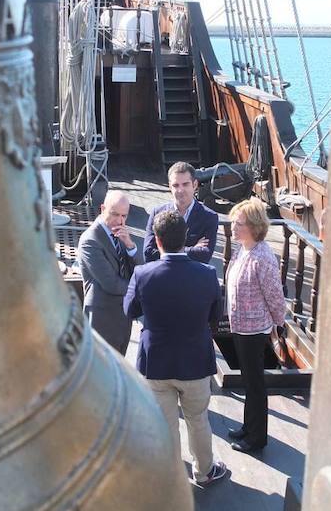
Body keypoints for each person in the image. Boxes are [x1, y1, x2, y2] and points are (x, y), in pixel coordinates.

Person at [124, 210, 227, 486]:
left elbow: (129, 309)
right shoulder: (206, 274)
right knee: (198, 420)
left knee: (164, 423)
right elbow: (216, 315)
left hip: (156, 362)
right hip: (195, 361)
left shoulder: (143, 274)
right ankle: (204, 472)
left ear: (157, 241)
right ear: (185, 238)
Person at [224, 197, 286, 453]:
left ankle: (256, 438)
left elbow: (275, 295)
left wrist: (278, 324)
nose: (233, 228)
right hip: (240, 327)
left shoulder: (263, 257)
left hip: (253, 330)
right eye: (233, 223)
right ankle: (248, 427)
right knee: (249, 381)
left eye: (238, 224)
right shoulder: (243, 249)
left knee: (255, 385)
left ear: (253, 226)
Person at [77, 190, 144, 355]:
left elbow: (139, 271)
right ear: (102, 209)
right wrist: (141, 288)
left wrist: (130, 246)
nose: (120, 221)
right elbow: (111, 284)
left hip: (123, 318)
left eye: (124, 216)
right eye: (115, 214)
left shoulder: (120, 235)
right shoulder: (90, 241)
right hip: (102, 320)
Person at [143, 162, 218, 264]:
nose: (180, 190)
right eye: (176, 185)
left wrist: (167, 252)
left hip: (192, 278)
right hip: (164, 277)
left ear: (195, 184)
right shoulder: (157, 213)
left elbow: (204, 255)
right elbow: (148, 253)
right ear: (170, 187)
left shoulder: (209, 217)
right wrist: (191, 249)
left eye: (185, 184)